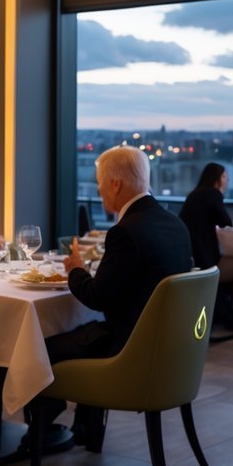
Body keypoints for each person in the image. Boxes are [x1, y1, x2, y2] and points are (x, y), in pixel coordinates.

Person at [38, 145, 193, 445]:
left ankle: (41, 432)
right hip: (172, 350)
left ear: (116, 184)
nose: (98, 190)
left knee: (41, 348)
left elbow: (98, 297)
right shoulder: (175, 224)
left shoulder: (126, 231)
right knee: (83, 332)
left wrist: (75, 269)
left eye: (99, 182)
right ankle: (86, 429)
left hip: (131, 351)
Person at [178, 163, 233, 270]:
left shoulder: (194, 194)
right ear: (216, 178)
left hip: (191, 256)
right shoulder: (213, 194)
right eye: (223, 176)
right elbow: (227, 223)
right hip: (205, 259)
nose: (226, 180)